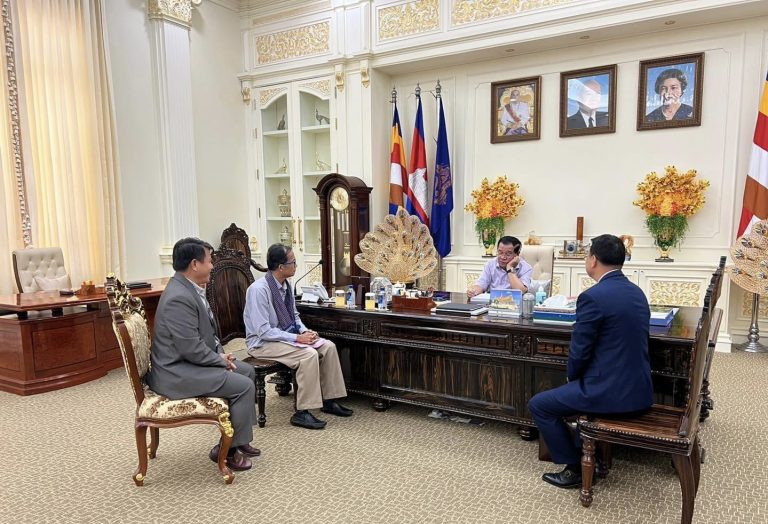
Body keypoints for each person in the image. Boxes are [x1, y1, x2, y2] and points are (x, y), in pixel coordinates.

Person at [527, 234, 653, 489]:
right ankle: (585, 458)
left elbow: (580, 350)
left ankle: (575, 467)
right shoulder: (637, 291)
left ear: (593, 260)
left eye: (587, 255)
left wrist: (572, 378)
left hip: (608, 391)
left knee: (539, 405)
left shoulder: (593, 297)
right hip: (639, 388)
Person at [145, 237, 259, 472]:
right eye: (209, 261)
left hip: (187, 362)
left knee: (247, 370)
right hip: (176, 373)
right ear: (195, 264)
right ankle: (227, 451)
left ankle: (240, 437)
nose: (212, 266)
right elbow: (190, 348)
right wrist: (218, 360)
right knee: (243, 385)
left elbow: (203, 337)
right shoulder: (179, 297)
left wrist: (220, 355)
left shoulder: (188, 287)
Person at [244, 243, 353, 430]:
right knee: (308, 355)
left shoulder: (286, 285)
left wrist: (304, 331)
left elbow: (294, 317)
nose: (296, 265)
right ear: (281, 267)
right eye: (293, 262)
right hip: (262, 343)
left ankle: (329, 400)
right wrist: (296, 339)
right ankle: (302, 412)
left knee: (328, 346)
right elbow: (263, 331)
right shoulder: (258, 290)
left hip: (286, 336)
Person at [467, 236, 532, 297]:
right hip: (492, 303)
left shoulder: (526, 268)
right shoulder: (490, 264)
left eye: (508, 254)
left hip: (515, 305)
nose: (503, 257)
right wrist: (473, 291)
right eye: (500, 252)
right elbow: (481, 285)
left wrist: (510, 269)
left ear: (517, 254)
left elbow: (520, 292)